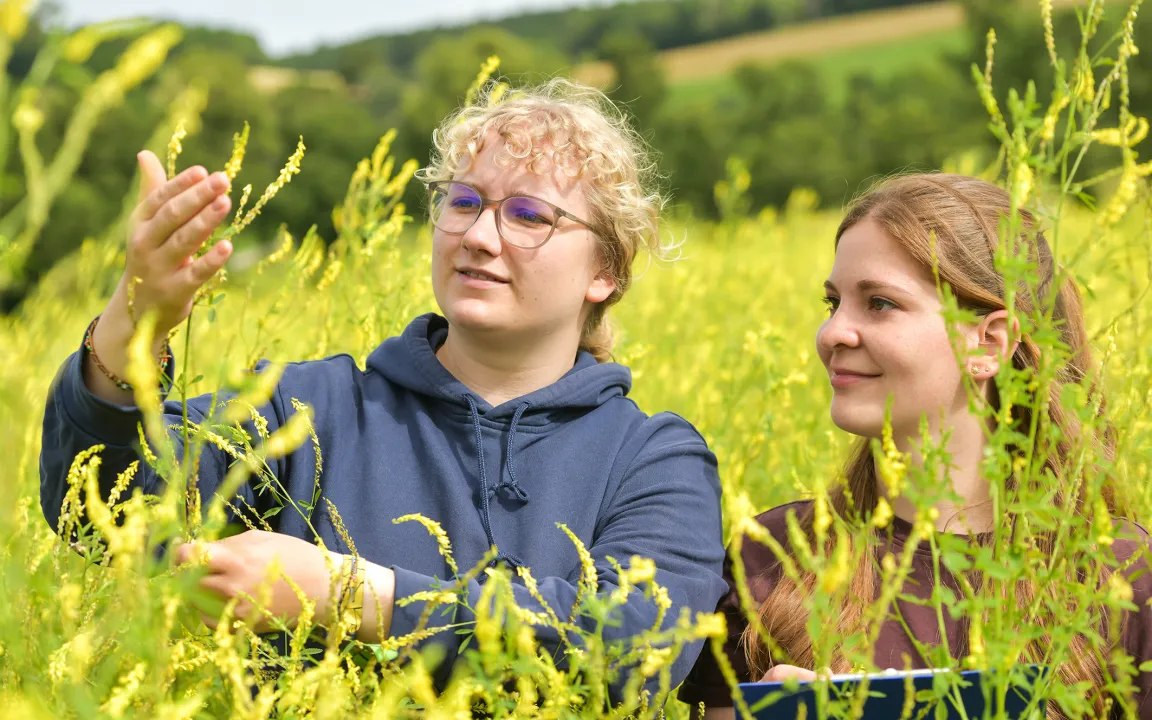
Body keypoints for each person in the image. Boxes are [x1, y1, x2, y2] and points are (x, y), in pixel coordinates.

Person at [38, 78, 728, 698]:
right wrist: (134, 325)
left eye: (527, 215)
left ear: (606, 269)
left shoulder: (652, 457)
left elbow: (636, 647)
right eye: (463, 201)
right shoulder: (304, 408)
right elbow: (105, 513)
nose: (480, 235)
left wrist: (350, 595)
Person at [680, 174, 1152, 718]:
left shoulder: (1116, 575)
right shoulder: (773, 560)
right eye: (832, 302)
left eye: (879, 303)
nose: (833, 332)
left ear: (990, 343)